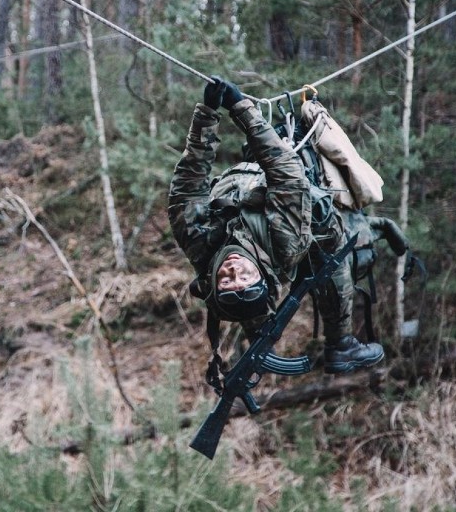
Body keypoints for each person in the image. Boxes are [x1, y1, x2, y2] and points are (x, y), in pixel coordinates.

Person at [169, 77, 406, 379]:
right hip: (288, 203)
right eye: (245, 275)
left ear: (213, 282)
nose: (234, 267)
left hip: (241, 183)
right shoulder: (286, 242)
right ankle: (341, 342)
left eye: (228, 278)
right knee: (330, 235)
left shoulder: (198, 243)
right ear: (259, 274)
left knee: (247, 301)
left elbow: (189, 179)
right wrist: (242, 109)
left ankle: (261, 341)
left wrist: (208, 114)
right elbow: (284, 171)